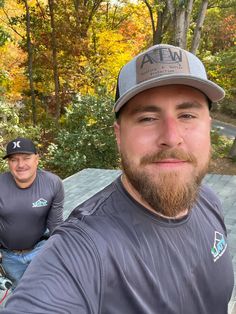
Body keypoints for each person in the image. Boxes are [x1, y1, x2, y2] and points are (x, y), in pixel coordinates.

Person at [1, 44, 234, 313]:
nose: (171, 137)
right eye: (147, 118)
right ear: (118, 135)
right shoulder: (81, 250)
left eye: (187, 115)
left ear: (208, 125)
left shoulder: (210, 202)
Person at [0, 137, 64, 288]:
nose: (20, 164)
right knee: (21, 296)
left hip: (41, 250)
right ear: (8, 163)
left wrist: (64, 249)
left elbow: (56, 223)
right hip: (9, 257)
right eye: (14, 160)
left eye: (26, 158)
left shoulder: (53, 183)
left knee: (48, 291)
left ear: (36, 159)